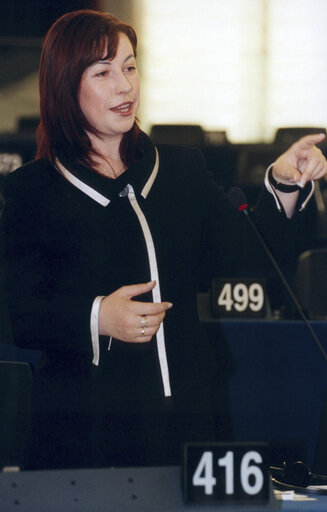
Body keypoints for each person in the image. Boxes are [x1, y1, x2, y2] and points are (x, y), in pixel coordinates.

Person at [2, 9, 327, 470]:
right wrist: (98, 316)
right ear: (65, 85)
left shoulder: (181, 170)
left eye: (130, 66)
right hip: (83, 433)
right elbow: (19, 311)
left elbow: (249, 253)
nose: (125, 86)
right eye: (103, 71)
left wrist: (284, 181)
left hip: (190, 426)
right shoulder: (32, 190)